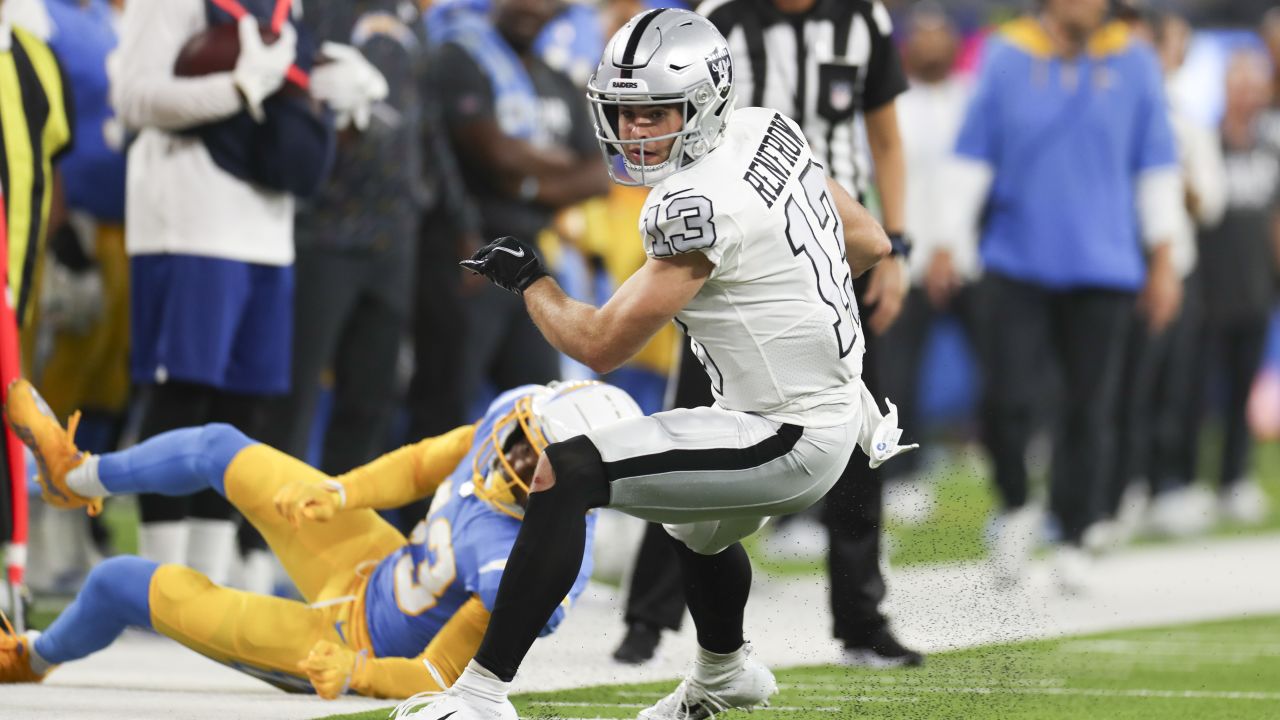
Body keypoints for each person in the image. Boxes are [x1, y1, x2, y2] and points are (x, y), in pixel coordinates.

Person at [398, 10, 915, 720]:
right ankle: (723, 674)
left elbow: (601, 344)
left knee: (568, 470)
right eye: (624, 113)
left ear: (703, 102)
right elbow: (870, 241)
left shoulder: (691, 202)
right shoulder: (768, 129)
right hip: (822, 406)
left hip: (788, 432)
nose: (635, 131)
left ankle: (481, 695)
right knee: (697, 524)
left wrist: (531, 283)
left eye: (654, 113)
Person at [0, 378, 639, 697]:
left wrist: (357, 671)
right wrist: (341, 492)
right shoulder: (513, 417)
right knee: (218, 447)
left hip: (345, 643)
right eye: (526, 443)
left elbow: (439, 676)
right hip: (375, 561)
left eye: (542, 462)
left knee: (119, 583)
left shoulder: (533, 563)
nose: (517, 462)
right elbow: (421, 463)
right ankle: (77, 476)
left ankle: (33, 658)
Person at [697, 0, 920, 667]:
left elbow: (884, 136)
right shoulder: (721, 17)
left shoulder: (862, 18)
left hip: (835, 251)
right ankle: (656, 610)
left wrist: (897, 249)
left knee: (862, 431)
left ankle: (860, 618)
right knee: (699, 415)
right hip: (737, 254)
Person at [951, 0, 1183, 591]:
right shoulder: (1008, 55)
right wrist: (947, 241)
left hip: (1105, 264)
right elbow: (973, 153)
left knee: (1090, 407)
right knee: (1007, 398)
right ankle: (1017, 505)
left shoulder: (1134, 63)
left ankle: (1076, 532)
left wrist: (1165, 261)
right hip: (1015, 259)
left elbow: (1156, 165)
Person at [425, 0, 610, 412]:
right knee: (444, 404)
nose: (531, 6)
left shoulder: (556, 79)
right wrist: (555, 163)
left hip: (530, 254)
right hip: (468, 249)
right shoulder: (461, 57)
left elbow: (600, 175)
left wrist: (524, 184)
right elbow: (494, 153)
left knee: (537, 405)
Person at [876, 2, 979, 526]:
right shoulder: (893, 103)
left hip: (969, 260)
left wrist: (954, 249)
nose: (932, 46)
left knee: (1007, 361)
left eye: (941, 36)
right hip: (909, 260)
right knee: (899, 374)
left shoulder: (972, 98)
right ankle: (899, 476)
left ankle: (998, 450)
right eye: (923, 37)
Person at [0, 0, 73, 628]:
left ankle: (14, 579)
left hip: (13, 258)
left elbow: (53, 151)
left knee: (13, 408)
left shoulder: (31, 54)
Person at [1185, 51, 1278, 527]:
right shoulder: (1206, 144)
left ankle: (1233, 479)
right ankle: (1183, 483)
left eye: (1254, 84)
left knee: (1243, 387)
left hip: (1256, 287)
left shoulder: (1271, 148)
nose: (1248, 93)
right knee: (1195, 391)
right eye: (1239, 83)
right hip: (1207, 289)